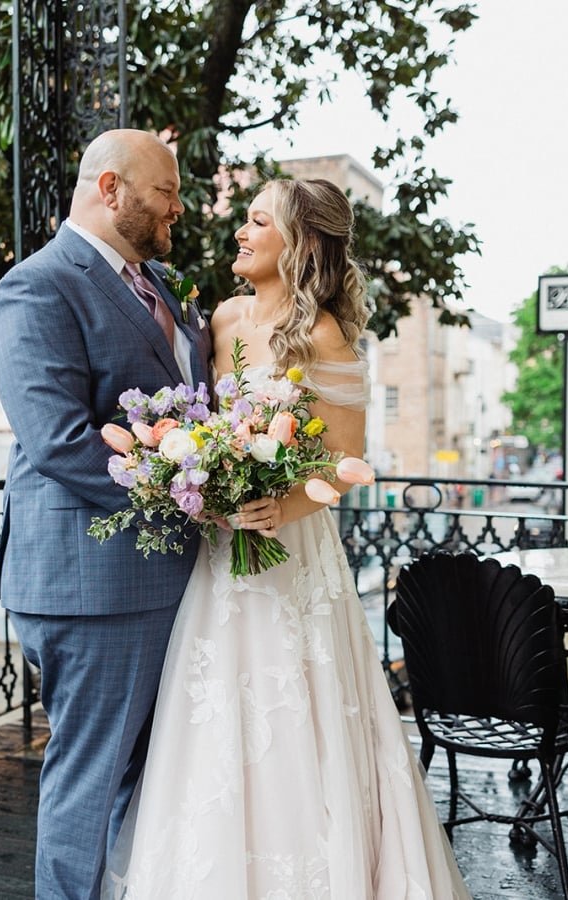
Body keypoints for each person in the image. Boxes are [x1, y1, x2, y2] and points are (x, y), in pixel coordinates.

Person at [103, 178, 471, 898]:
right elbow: (206, 428)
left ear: (298, 244)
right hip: (222, 558)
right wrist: (209, 485)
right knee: (214, 722)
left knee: (302, 719)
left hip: (293, 555)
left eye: (258, 220)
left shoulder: (323, 333)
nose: (241, 231)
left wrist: (277, 508)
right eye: (245, 219)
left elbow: (345, 464)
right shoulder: (223, 318)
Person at [0, 128, 213, 900]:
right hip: (93, 583)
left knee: (146, 782)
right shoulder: (38, 285)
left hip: (167, 578)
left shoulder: (161, 287)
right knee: (90, 779)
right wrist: (189, 500)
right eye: (166, 192)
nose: (178, 207)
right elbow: (57, 439)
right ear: (111, 188)